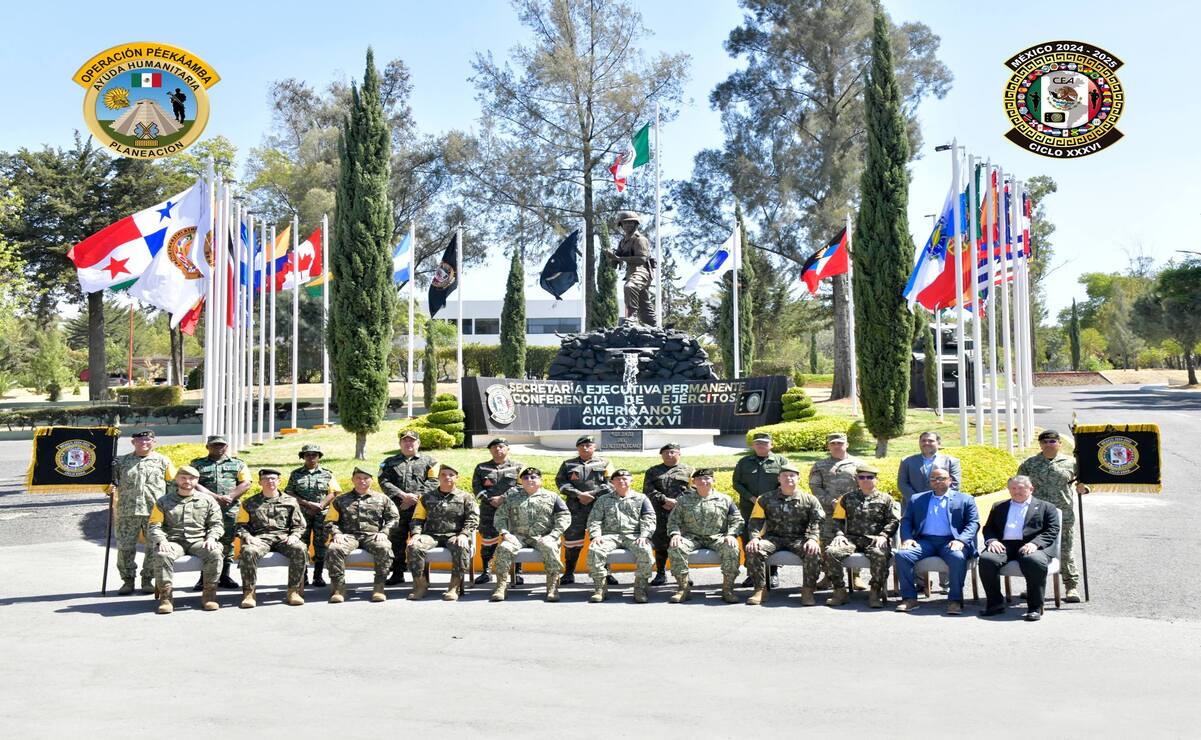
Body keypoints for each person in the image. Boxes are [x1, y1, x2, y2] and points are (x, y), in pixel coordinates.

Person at [893, 466, 979, 614]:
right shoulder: (917, 499)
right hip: (925, 541)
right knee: (902, 555)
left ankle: (955, 600)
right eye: (933, 479)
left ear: (950, 480)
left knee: (957, 557)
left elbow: (973, 523)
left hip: (952, 541)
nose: (937, 481)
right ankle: (909, 598)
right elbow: (906, 521)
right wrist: (907, 538)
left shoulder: (965, 499)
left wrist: (961, 540)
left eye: (941, 478)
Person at [1018, 430, 1088, 603]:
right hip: (1036, 515)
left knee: (1065, 550)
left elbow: (1085, 483)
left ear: (1059, 443)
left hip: (1063, 513)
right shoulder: (1030, 463)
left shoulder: (1072, 463)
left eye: (1052, 441)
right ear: (1040, 444)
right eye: (1045, 442)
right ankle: (1033, 587)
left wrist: (1084, 488)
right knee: (1034, 550)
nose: (1048, 444)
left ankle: (1071, 587)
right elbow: (1019, 485)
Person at [978, 475, 1061, 621]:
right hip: (1005, 545)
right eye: (1013, 488)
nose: (1017, 491)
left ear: (1031, 489)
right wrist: (991, 541)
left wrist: (1035, 543)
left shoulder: (1046, 507)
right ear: (1009, 490)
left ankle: (1035, 607)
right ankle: (995, 603)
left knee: (1034, 561)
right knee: (987, 559)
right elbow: (989, 527)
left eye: (1021, 488)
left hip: (1033, 546)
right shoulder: (999, 506)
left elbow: (1052, 529)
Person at [743, 464, 824, 606]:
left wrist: (812, 539)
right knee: (754, 549)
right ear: (779, 478)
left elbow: (817, 521)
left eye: (792, 475)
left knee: (813, 552)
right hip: (773, 538)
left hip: (799, 538)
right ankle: (760, 589)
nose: (788, 478)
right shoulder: (765, 499)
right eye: (785, 475)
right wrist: (755, 538)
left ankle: (808, 590)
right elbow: (755, 521)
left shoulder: (810, 500)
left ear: (798, 478)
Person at [109, 429, 177, 595]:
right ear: (133, 442)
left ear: (154, 442)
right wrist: (109, 488)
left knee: (154, 547)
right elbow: (111, 484)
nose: (144, 443)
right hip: (127, 511)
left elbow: (173, 485)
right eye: (140, 440)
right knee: (125, 548)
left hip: (154, 512)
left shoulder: (163, 461)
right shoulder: (120, 462)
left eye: (148, 440)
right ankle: (127, 581)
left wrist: (170, 509)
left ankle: (147, 579)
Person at [148, 466, 223, 614]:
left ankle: (209, 596)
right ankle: (166, 599)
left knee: (215, 553)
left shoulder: (207, 500)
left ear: (197, 480)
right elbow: (154, 525)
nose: (187, 481)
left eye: (191, 478)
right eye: (183, 477)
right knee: (163, 555)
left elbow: (217, 524)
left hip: (198, 541)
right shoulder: (163, 501)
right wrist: (162, 541)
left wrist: (212, 537)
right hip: (174, 542)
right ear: (177, 479)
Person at [489, 467, 571, 603]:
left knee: (550, 548)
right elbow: (500, 516)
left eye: (533, 477)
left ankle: (552, 588)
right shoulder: (512, 497)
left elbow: (564, 516)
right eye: (526, 478)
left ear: (541, 480)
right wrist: (504, 533)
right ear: (521, 481)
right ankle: (501, 587)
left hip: (543, 536)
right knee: (504, 548)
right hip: (517, 536)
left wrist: (554, 534)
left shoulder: (552, 497)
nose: (529, 480)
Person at [824, 463, 899, 608]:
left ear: (876, 479)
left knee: (880, 555)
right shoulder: (846, 498)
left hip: (875, 540)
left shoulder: (886, 499)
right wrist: (839, 534)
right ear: (857, 479)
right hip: (851, 539)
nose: (865, 480)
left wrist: (884, 535)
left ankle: (875, 593)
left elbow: (894, 520)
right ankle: (840, 592)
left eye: (870, 477)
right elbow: (837, 520)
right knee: (831, 552)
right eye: (862, 477)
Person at [897, 432, 962, 595]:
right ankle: (921, 583)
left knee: (947, 540)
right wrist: (919, 501)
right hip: (915, 509)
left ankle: (945, 584)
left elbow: (955, 484)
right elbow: (902, 483)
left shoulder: (951, 461)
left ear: (938, 443)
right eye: (923, 440)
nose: (927, 443)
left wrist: (937, 496)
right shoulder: (907, 461)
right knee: (915, 542)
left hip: (942, 506)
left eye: (931, 440)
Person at [666, 469, 744, 604]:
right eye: (699, 479)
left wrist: (731, 534)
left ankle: (728, 590)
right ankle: (683, 589)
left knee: (732, 548)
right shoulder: (684, 500)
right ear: (694, 482)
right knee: (676, 547)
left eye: (707, 478)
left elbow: (737, 519)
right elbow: (673, 521)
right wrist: (675, 534)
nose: (703, 481)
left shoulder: (725, 499)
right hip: (691, 537)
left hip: (717, 537)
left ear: (713, 481)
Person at [325, 467, 400, 604]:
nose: (362, 481)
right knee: (334, 549)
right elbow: (330, 520)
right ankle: (338, 589)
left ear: (371, 480)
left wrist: (384, 532)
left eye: (366, 478)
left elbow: (394, 518)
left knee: (384, 547)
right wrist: (337, 533)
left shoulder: (382, 499)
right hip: (348, 536)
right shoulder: (340, 500)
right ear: (353, 480)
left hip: (373, 535)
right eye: (358, 478)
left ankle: (379, 588)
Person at [235, 468, 308, 608]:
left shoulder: (291, 501)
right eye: (266, 479)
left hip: (284, 538)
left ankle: (294, 591)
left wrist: (295, 536)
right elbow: (240, 525)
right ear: (260, 482)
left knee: (300, 548)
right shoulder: (249, 503)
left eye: (273, 479)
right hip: (260, 538)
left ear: (279, 481)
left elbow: (299, 525)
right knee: (249, 551)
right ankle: (249, 593)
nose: (270, 482)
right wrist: (247, 536)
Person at [407, 463, 480, 602]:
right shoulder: (426, 497)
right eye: (443, 475)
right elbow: (417, 518)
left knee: (461, 546)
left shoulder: (466, 497)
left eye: (451, 475)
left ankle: (453, 587)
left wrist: (464, 534)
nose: (447, 477)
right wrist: (416, 534)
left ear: (457, 478)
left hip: (455, 535)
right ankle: (420, 585)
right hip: (431, 535)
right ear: (438, 478)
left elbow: (473, 518)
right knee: (413, 547)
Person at [586, 469, 656, 603]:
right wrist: (596, 536)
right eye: (617, 479)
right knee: (595, 550)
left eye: (625, 478)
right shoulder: (603, 499)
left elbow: (649, 518)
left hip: (634, 535)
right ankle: (600, 588)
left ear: (631, 480)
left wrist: (645, 535)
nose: (621, 481)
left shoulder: (641, 498)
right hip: (609, 535)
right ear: (612, 482)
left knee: (646, 551)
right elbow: (594, 520)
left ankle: (640, 588)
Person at [190, 435, 251, 591]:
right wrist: (215, 498)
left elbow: (246, 483)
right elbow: (193, 483)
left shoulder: (238, 464)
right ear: (207, 447)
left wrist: (229, 497)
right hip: (204, 509)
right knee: (206, 541)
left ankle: (224, 575)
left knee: (227, 542)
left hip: (229, 509)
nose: (218, 447)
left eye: (221, 445)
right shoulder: (197, 464)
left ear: (226, 447)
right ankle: (204, 578)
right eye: (214, 445)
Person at [378, 430, 438, 585]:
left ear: (418, 443)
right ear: (400, 444)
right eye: (405, 441)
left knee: (419, 542)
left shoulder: (430, 461)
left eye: (412, 441)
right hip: (398, 508)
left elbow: (434, 481)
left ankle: (421, 577)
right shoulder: (389, 462)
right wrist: (403, 496)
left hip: (421, 509)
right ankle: (397, 573)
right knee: (396, 542)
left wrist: (416, 497)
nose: (408, 443)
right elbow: (383, 481)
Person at [554, 435, 612, 585]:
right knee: (572, 542)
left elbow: (611, 483)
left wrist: (592, 495)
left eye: (589, 445)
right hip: (575, 508)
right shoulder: (568, 464)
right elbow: (561, 483)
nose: (585, 448)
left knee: (602, 540)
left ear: (595, 447)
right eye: (582, 445)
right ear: (577, 448)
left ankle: (607, 573)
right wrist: (578, 494)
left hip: (598, 508)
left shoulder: (605, 463)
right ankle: (569, 572)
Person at [732, 432, 788, 587]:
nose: (761, 446)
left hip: (773, 507)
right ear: (753, 445)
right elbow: (736, 483)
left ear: (771, 445)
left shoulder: (780, 461)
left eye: (764, 443)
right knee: (749, 538)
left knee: (771, 537)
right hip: (749, 507)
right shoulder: (744, 462)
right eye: (757, 443)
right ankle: (752, 573)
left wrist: (770, 499)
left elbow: (786, 481)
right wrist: (750, 497)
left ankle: (773, 573)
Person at [807, 432, 862, 588]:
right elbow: (815, 486)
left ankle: (855, 575)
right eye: (833, 443)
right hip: (829, 512)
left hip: (853, 513)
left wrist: (850, 503)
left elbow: (865, 486)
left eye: (840, 443)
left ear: (847, 444)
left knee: (854, 541)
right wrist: (829, 501)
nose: (837, 446)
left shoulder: (858, 464)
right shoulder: (820, 465)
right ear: (828, 446)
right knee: (827, 542)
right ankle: (828, 576)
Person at [284, 444, 342, 587]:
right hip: (302, 513)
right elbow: (289, 493)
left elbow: (333, 492)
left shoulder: (327, 474)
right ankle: (303, 576)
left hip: (321, 514)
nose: (311, 457)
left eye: (314, 455)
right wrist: (308, 504)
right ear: (302, 457)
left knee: (320, 544)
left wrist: (320, 505)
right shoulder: (296, 474)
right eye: (307, 455)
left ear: (319, 457)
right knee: (302, 544)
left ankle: (318, 576)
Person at [471, 437, 523, 585]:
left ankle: (517, 573)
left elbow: (521, 486)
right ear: (490, 450)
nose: (498, 449)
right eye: (494, 447)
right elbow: (477, 487)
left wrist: (503, 498)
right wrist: (490, 499)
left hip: (512, 509)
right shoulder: (481, 467)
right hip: (488, 509)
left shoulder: (518, 467)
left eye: (501, 446)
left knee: (514, 540)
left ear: (507, 449)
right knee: (488, 541)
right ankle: (486, 572)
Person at [641, 443, 693, 586]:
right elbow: (647, 490)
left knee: (682, 543)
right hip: (660, 511)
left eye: (672, 452)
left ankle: (684, 574)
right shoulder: (653, 471)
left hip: (682, 512)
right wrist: (664, 500)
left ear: (679, 454)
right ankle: (660, 574)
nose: (669, 455)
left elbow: (694, 489)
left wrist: (678, 502)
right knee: (661, 544)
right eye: (665, 453)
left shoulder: (689, 470)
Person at [606, 210, 656, 325]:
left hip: (642, 272)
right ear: (621, 225)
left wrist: (619, 258)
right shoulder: (623, 242)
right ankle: (654, 325)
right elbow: (616, 260)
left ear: (635, 224)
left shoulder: (640, 239)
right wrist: (611, 257)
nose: (627, 225)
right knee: (644, 305)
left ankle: (632, 316)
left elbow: (642, 259)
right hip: (631, 273)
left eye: (631, 223)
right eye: (625, 223)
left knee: (630, 287)